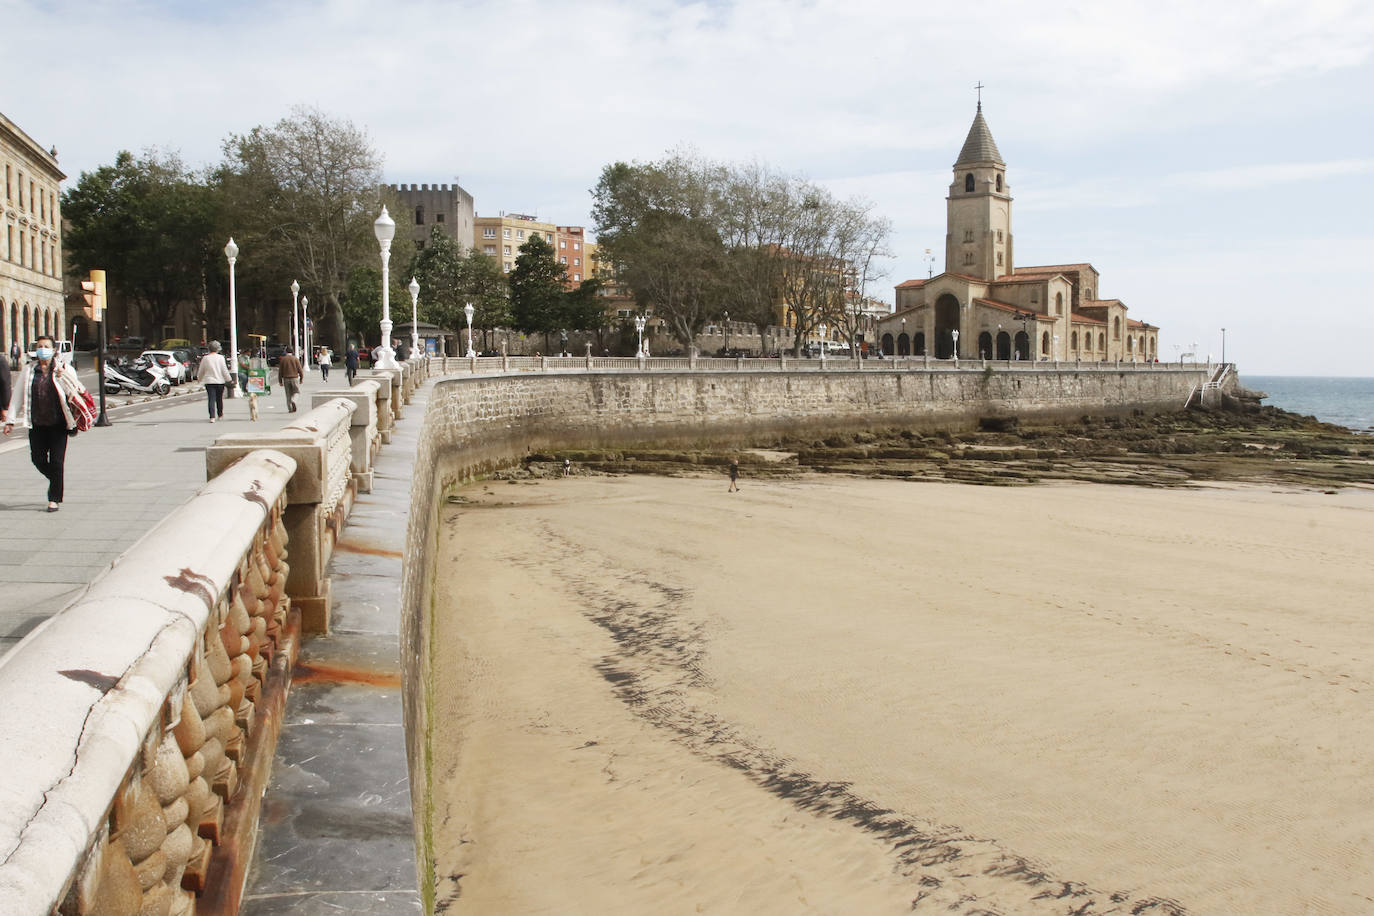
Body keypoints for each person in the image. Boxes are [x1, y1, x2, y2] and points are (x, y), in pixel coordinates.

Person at [4, 335, 85, 511]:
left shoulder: (64, 368)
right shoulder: (29, 370)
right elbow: (17, 395)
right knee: (37, 459)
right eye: (40, 346)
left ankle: (54, 498)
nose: (43, 349)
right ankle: (56, 479)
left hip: (59, 424)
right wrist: (10, 421)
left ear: (54, 350)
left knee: (57, 462)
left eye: (47, 346)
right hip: (37, 424)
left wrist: (63, 378)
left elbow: (76, 392)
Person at [197, 340, 232, 423]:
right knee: (219, 399)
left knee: (211, 399)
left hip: (209, 381)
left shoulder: (205, 358)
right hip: (220, 381)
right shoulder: (221, 358)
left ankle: (212, 417)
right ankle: (220, 414)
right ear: (218, 349)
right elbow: (224, 370)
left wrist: (199, 379)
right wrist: (229, 379)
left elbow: (201, 370)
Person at [277, 347, 303, 412]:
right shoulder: (295, 359)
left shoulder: (283, 359)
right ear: (292, 352)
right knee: (296, 392)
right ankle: (294, 400)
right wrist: (301, 379)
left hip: (286, 379)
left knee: (288, 394)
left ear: (286, 351)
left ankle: (290, 409)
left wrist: (280, 381)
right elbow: (300, 370)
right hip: (294, 378)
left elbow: (280, 371)